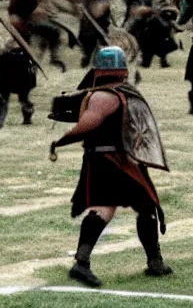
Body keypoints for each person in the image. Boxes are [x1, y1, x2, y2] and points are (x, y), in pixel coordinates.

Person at [49, 46, 172, 287]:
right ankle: (81, 264)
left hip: (122, 160)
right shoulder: (105, 96)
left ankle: (155, 262)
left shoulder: (112, 93)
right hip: (108, 161)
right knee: (106, 208)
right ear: (122, 70)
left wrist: (61, 140)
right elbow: (88, 125)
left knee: (145, 206)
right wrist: (62, 140)